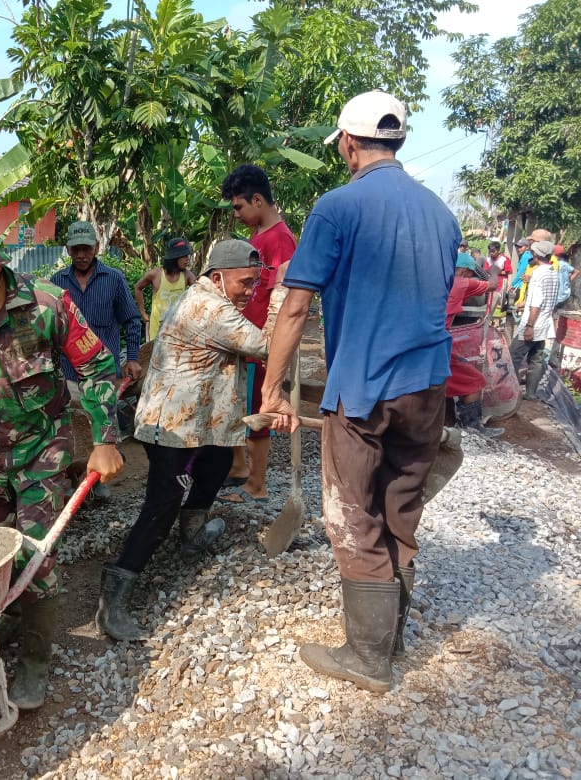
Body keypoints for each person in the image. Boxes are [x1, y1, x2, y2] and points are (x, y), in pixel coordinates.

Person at [260, 90, 460, 693]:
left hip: (364, 387)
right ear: (397, 141)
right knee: (401, 504)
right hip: (427, 387)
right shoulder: (441, 213)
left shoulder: (337, 207)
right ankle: (391, 634)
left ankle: (369, 658)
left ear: (348, 143)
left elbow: (295, 307)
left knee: (352, 514)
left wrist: (273, 389)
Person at [0, 214, 125, 709]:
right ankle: (0, 625)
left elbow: (97, 363)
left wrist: (104, 436)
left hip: (41, 453)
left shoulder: (46, 307)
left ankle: (35, 661)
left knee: (35, 559)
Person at [96, 239, 284, 642]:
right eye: (245, 283)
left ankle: (193, 531)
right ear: (218, 278)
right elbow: (269, 346)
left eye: (255, 283)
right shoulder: (210, 308)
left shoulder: (209, 297)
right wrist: (281, 297)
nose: (250, 291)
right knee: (162, 504)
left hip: (199, 420)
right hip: (173, 429)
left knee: (217, 464)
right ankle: (115, 592)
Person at [220, 164, 298, 502]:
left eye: (238, 206)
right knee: (241, 407)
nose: (236, 213)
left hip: (261, 344)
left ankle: (257, 484)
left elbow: (286, 300)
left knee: (258, 413)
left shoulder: (280, 240)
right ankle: (240, 470)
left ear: (257, 200)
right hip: (245, 340)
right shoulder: (258, 238)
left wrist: (273, 346)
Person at [51, 221, 142, 500]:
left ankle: (97, 482)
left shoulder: (113, 279)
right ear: (68, 250)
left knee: (100, 426)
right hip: (68, 373)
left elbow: (132, 320)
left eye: (86, 249)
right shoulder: (56, 282)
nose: (81, 254)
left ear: (96, 248)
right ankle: (69, 478)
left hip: (104, 374)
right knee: (68, 429)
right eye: (76, 249)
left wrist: (134, 358)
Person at [446, 255, 502, 436]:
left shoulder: (435, 280)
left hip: (418, 340)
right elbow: (492, 284)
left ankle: (447, 421)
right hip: (436, 344)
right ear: (464, 271)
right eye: (470, 274)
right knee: (474, 381)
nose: (470, 278)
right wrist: (494, 270)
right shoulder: (461, 283)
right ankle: (472, 429)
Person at [509, 240, 559, 400]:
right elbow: (546, 298)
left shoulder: (538, 273)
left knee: (512, 356)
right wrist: (525, 303)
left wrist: (529, 325)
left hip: (533, 324)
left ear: (536, 255)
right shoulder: (553, 272)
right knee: (536, 360)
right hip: (545, 324)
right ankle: (530, 394)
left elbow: (537, 302)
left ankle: (511, 393)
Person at [134, 236, 196, 340]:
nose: (187, 259)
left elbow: (200, 292)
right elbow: (138, 288)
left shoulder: (187, 276)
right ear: (174, 257)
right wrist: (143, 313)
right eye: (184, 256)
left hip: (178, 329)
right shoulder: (155, 274)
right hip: (157, 329)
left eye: (187, 256)